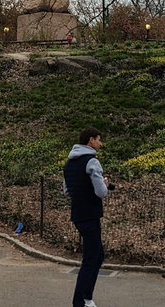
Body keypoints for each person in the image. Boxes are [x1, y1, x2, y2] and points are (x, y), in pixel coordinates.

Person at [63, 127, 109, 307]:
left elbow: (67, 192)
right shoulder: (92, 162)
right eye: (99, 139)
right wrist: (104, 183)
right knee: (92, 258)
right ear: (91, 140)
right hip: (91, 214)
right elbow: (101, 192)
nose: (100, 143)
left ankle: (84, 298)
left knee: (95, 256)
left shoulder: (69, 164)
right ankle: (82, 300)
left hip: (78, 214)